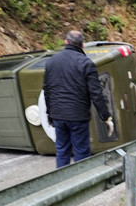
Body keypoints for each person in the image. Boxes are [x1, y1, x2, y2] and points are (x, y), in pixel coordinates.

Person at [43, 30, 114, 168]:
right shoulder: (86, 63)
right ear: (82, 45)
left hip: (58, 115)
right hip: (78, 116)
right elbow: (96, 93)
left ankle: (63, 184)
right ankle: (81, 182)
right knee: (81, 152)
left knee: (62, 151)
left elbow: (47, 90)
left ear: (65, 42)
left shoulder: (51, 62)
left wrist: (50, 116)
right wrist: (106, 116)